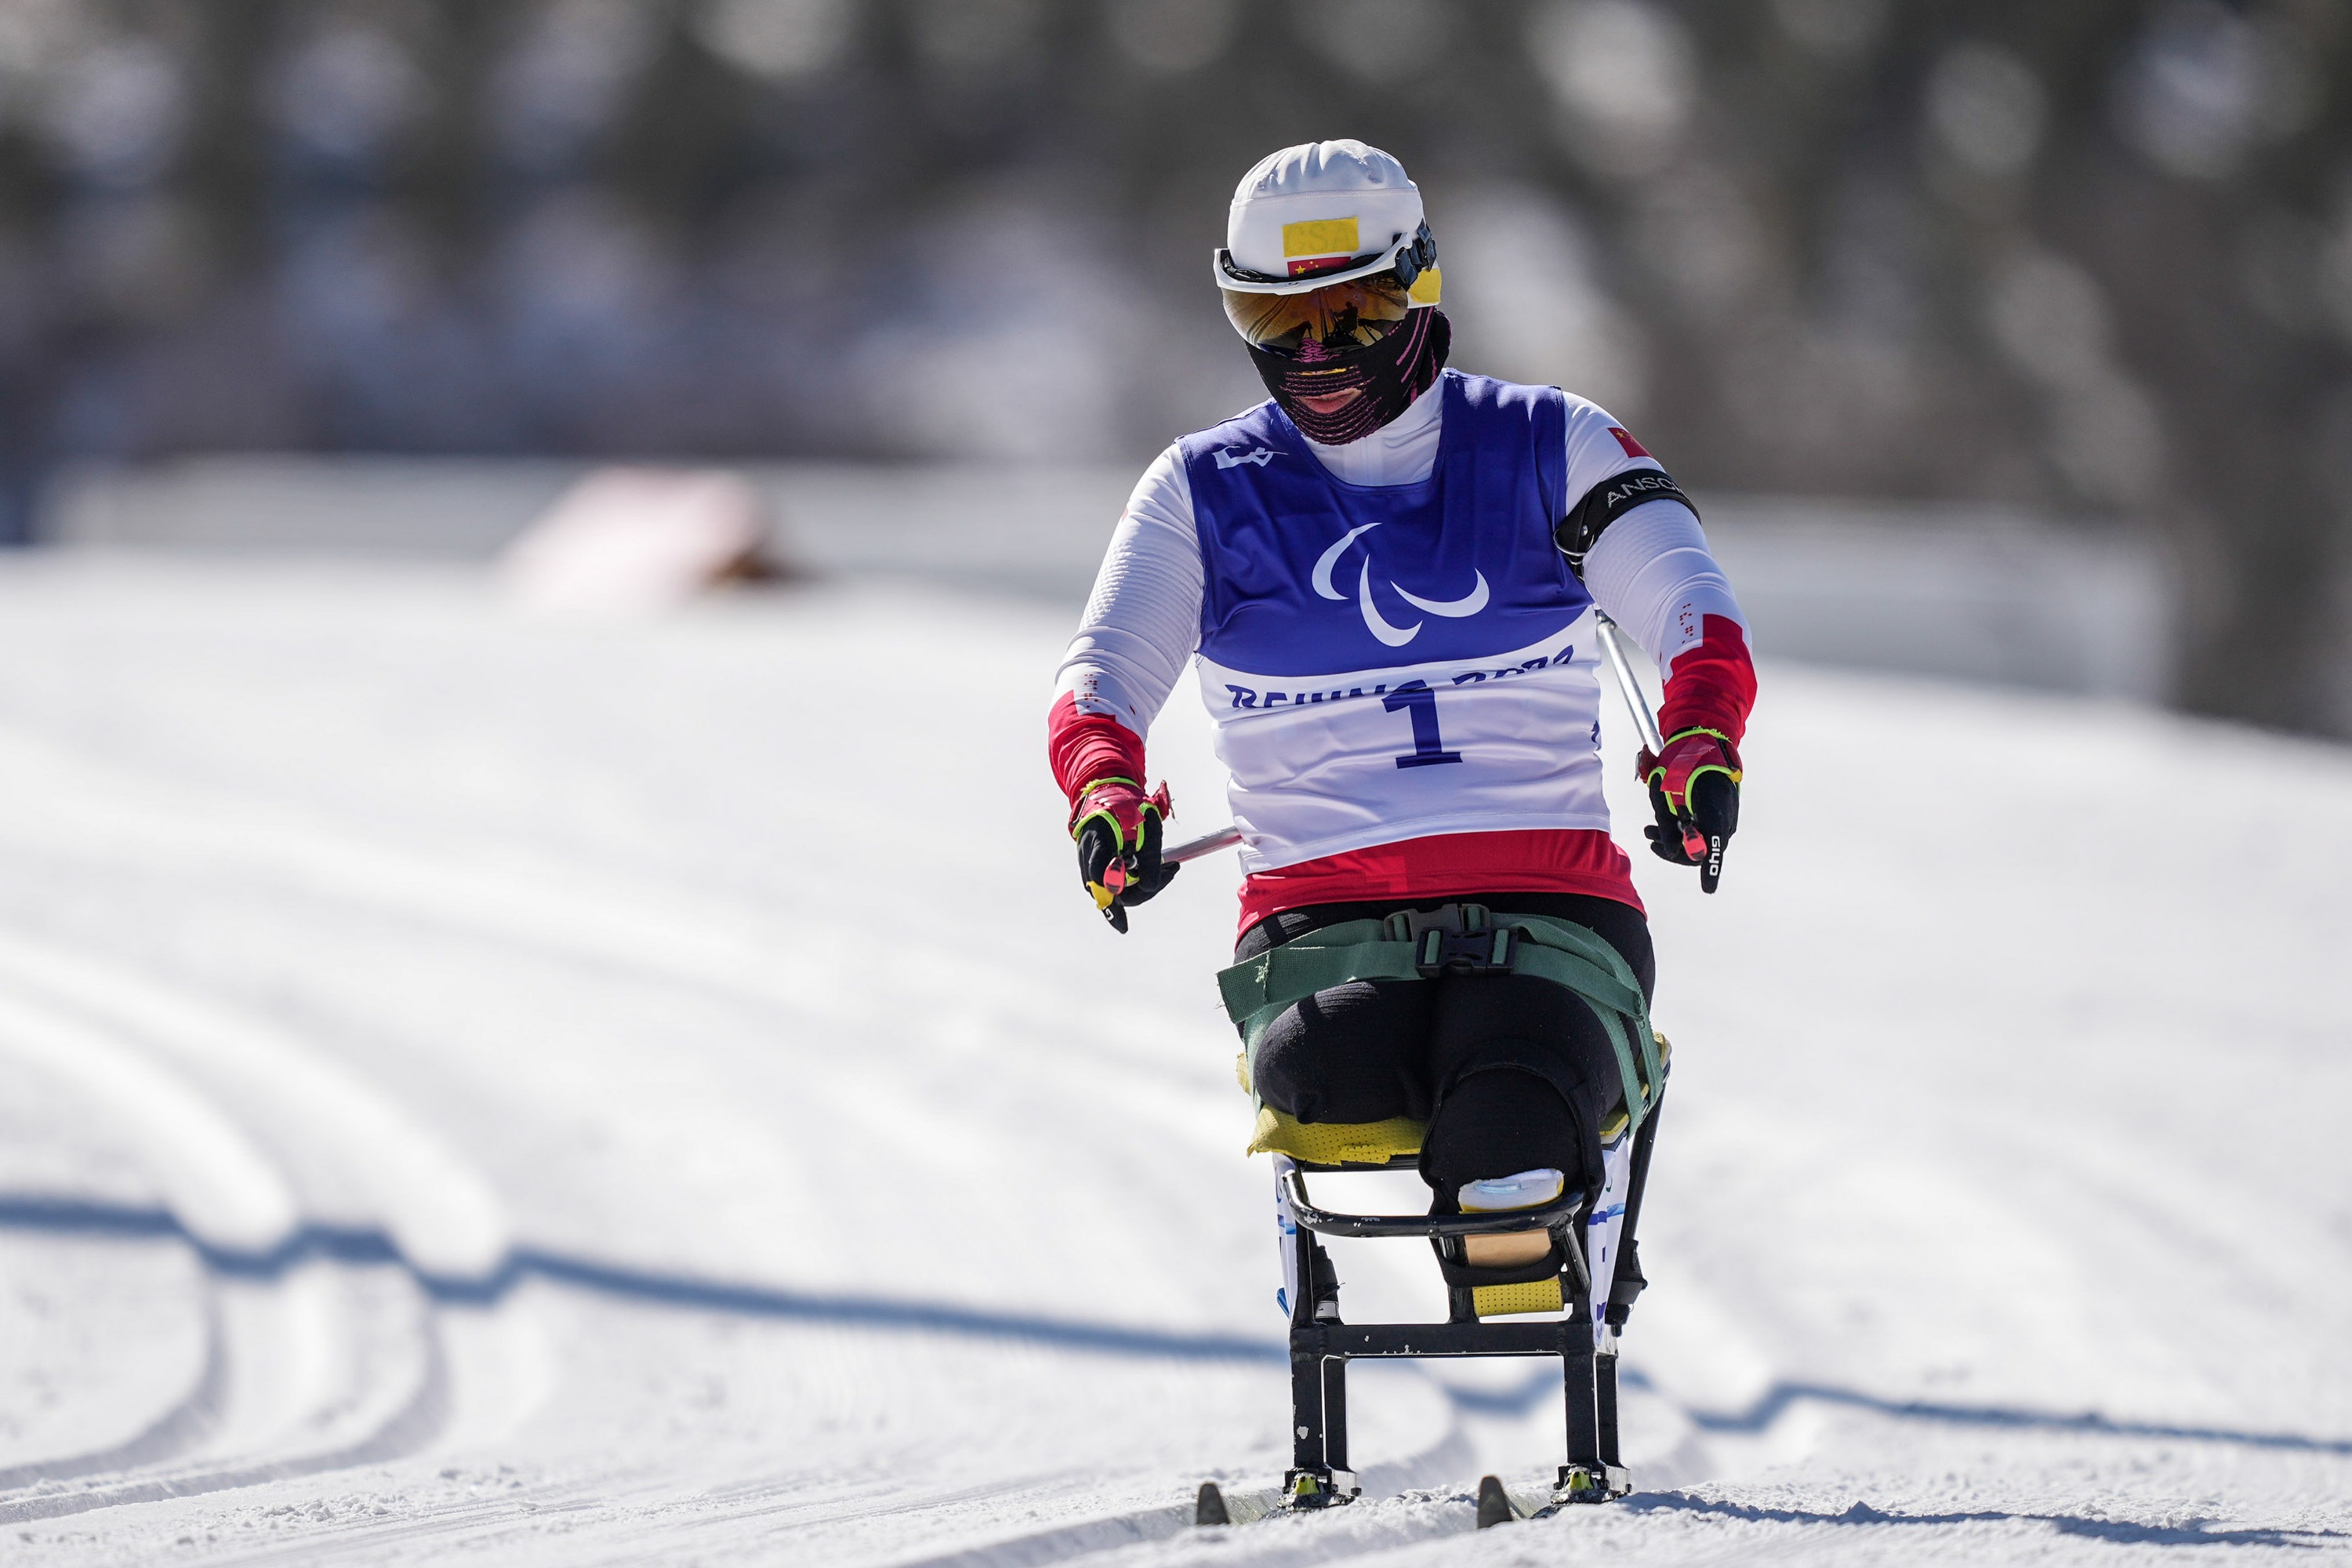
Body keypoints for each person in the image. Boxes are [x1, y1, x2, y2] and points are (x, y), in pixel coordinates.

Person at [1046, 140, 1753, 1290]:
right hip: (1324, 934)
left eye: (1355, 309)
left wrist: (1702, 736)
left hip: (1552, 915)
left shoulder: (1551, 444)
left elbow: (1692, 612)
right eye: (1275, 321)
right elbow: (1100, 681)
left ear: (1422, 283)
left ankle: (1535, 1265)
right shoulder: (1202, 489)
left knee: (1511, 1120)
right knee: (1327, 1079)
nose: (1317, 352)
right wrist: (1103, 791)